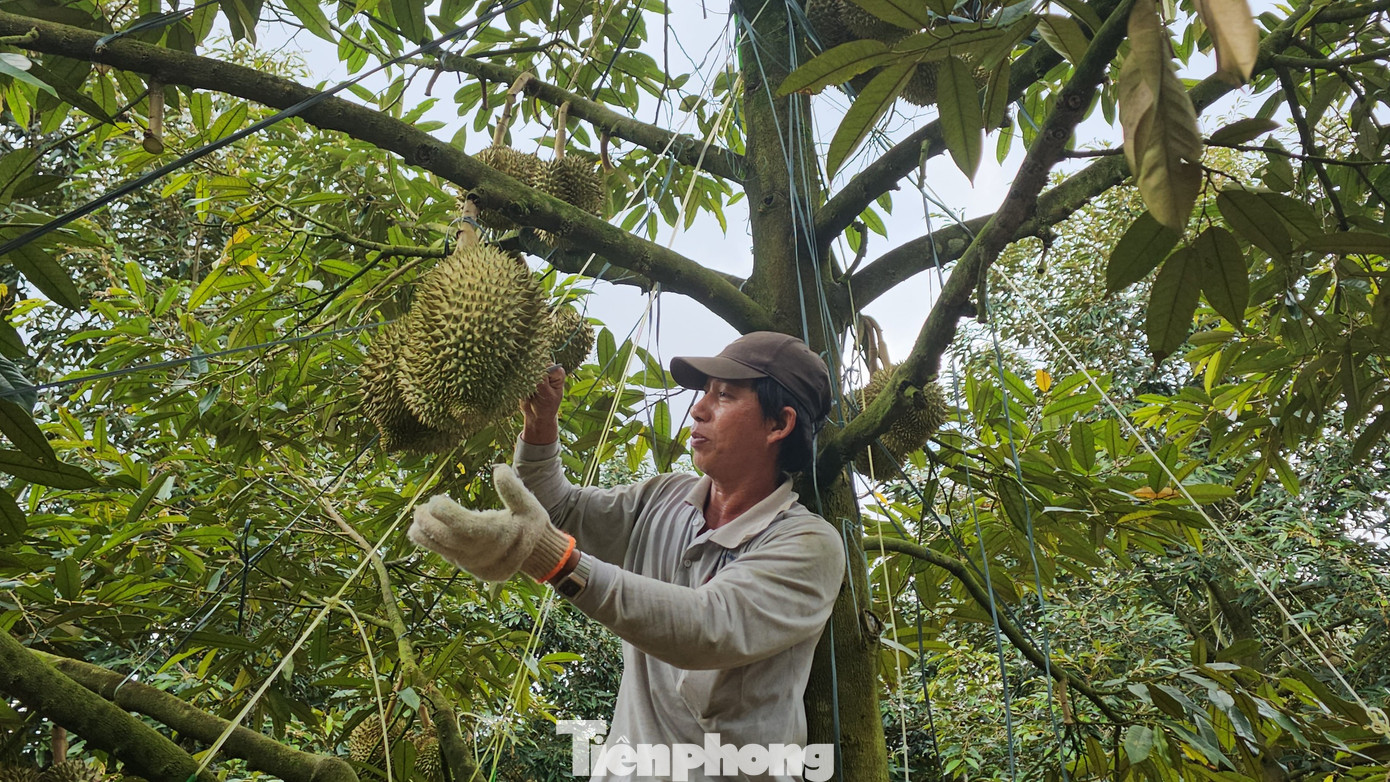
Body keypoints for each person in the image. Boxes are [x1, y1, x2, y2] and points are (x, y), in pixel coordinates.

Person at [409, 331, 846, 781]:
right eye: (704, 394)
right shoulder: (664, 498)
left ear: (779, 424)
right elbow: (559, 512)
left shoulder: (808, 544)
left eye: (725, 395)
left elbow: (707, 626)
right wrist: (540, 426)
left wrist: (556, 561)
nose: (698, 409)